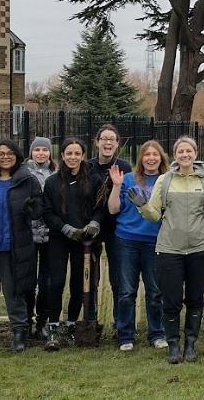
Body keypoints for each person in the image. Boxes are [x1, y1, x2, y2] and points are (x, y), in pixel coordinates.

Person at [130, 136, 204, 364]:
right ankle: (173, 345)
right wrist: (142, 205)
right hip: (169, 248)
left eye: (188, 151)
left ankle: (190, 344)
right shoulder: (165, 179)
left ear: (195, 153)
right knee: (170, 300)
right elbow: (154, 215)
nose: (185, 155)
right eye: (180, 151)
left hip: (199, 247)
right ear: (175, 155)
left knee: (195, 298)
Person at [0, 139, 43, 352]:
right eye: (1, 153)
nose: (5, 157)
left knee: (15, 291)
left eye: (10, 153)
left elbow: (39, 208)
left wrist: (32, 209)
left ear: (18, 156)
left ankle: (19, 332)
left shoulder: (27, 180)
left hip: (14, 246)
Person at [40, 137, 105, 351]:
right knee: (56, 282)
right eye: (69, 153)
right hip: (60, 238)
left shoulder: (94, 180)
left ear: (83, 156)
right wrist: (65, 228)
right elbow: (47, 212)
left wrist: (94, 223)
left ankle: (71, 327)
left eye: (77, 153)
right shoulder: (52, 182)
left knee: (79, 285)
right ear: (63, 155)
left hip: (84, 240)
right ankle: (53, 328)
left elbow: (100, 206)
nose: (73, 157)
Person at [108, 140, 170, 351]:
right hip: (127, 240)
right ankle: (126, 335)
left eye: (155, 154)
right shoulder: (128, 179)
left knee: (155, 291)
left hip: (155, 240)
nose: (151, 158)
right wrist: (116, 187)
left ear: (161, 158)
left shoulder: (167, 180)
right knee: (126, 291)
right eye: (146, 154)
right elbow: (113, 209)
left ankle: (157, 333)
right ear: (141, 158)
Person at [87, 124, 132, 325]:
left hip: (116, 229)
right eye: (104, 139)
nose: (107, 142)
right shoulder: (87, 167)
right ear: (97, 143)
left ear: (117, 144)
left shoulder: (124, 167)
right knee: (90, 278)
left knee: (117, 278)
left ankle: (118, 321)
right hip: (93, 227)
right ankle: (90, 320)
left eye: (112, 139)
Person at [24, 136, 56, 341]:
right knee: (28, 281)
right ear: (31, 152)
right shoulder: (24, 173)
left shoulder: (55, 173)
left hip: (50, 233)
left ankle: (42, 323)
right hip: (27, 233)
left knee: (46, 281)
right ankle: (26, 321)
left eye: (45, 150)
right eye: (37, 150)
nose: (41, 153)